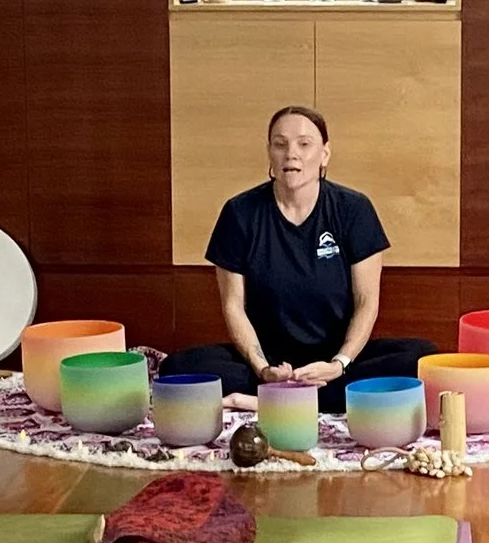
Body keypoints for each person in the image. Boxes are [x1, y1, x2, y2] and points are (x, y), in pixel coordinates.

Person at [161, 105, 432, 412]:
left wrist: (338, 364)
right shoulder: (239, 213)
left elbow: (367, 301)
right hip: (267, 363)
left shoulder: (353, 209)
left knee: (421, 358)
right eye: (280, 144)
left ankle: (265, 402)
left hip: (333, 363)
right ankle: (298, 397)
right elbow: (233, 305)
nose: (292, 153)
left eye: (304, 144)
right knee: (176, 367)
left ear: (324, 155)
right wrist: (263, 368)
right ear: (270, 154)